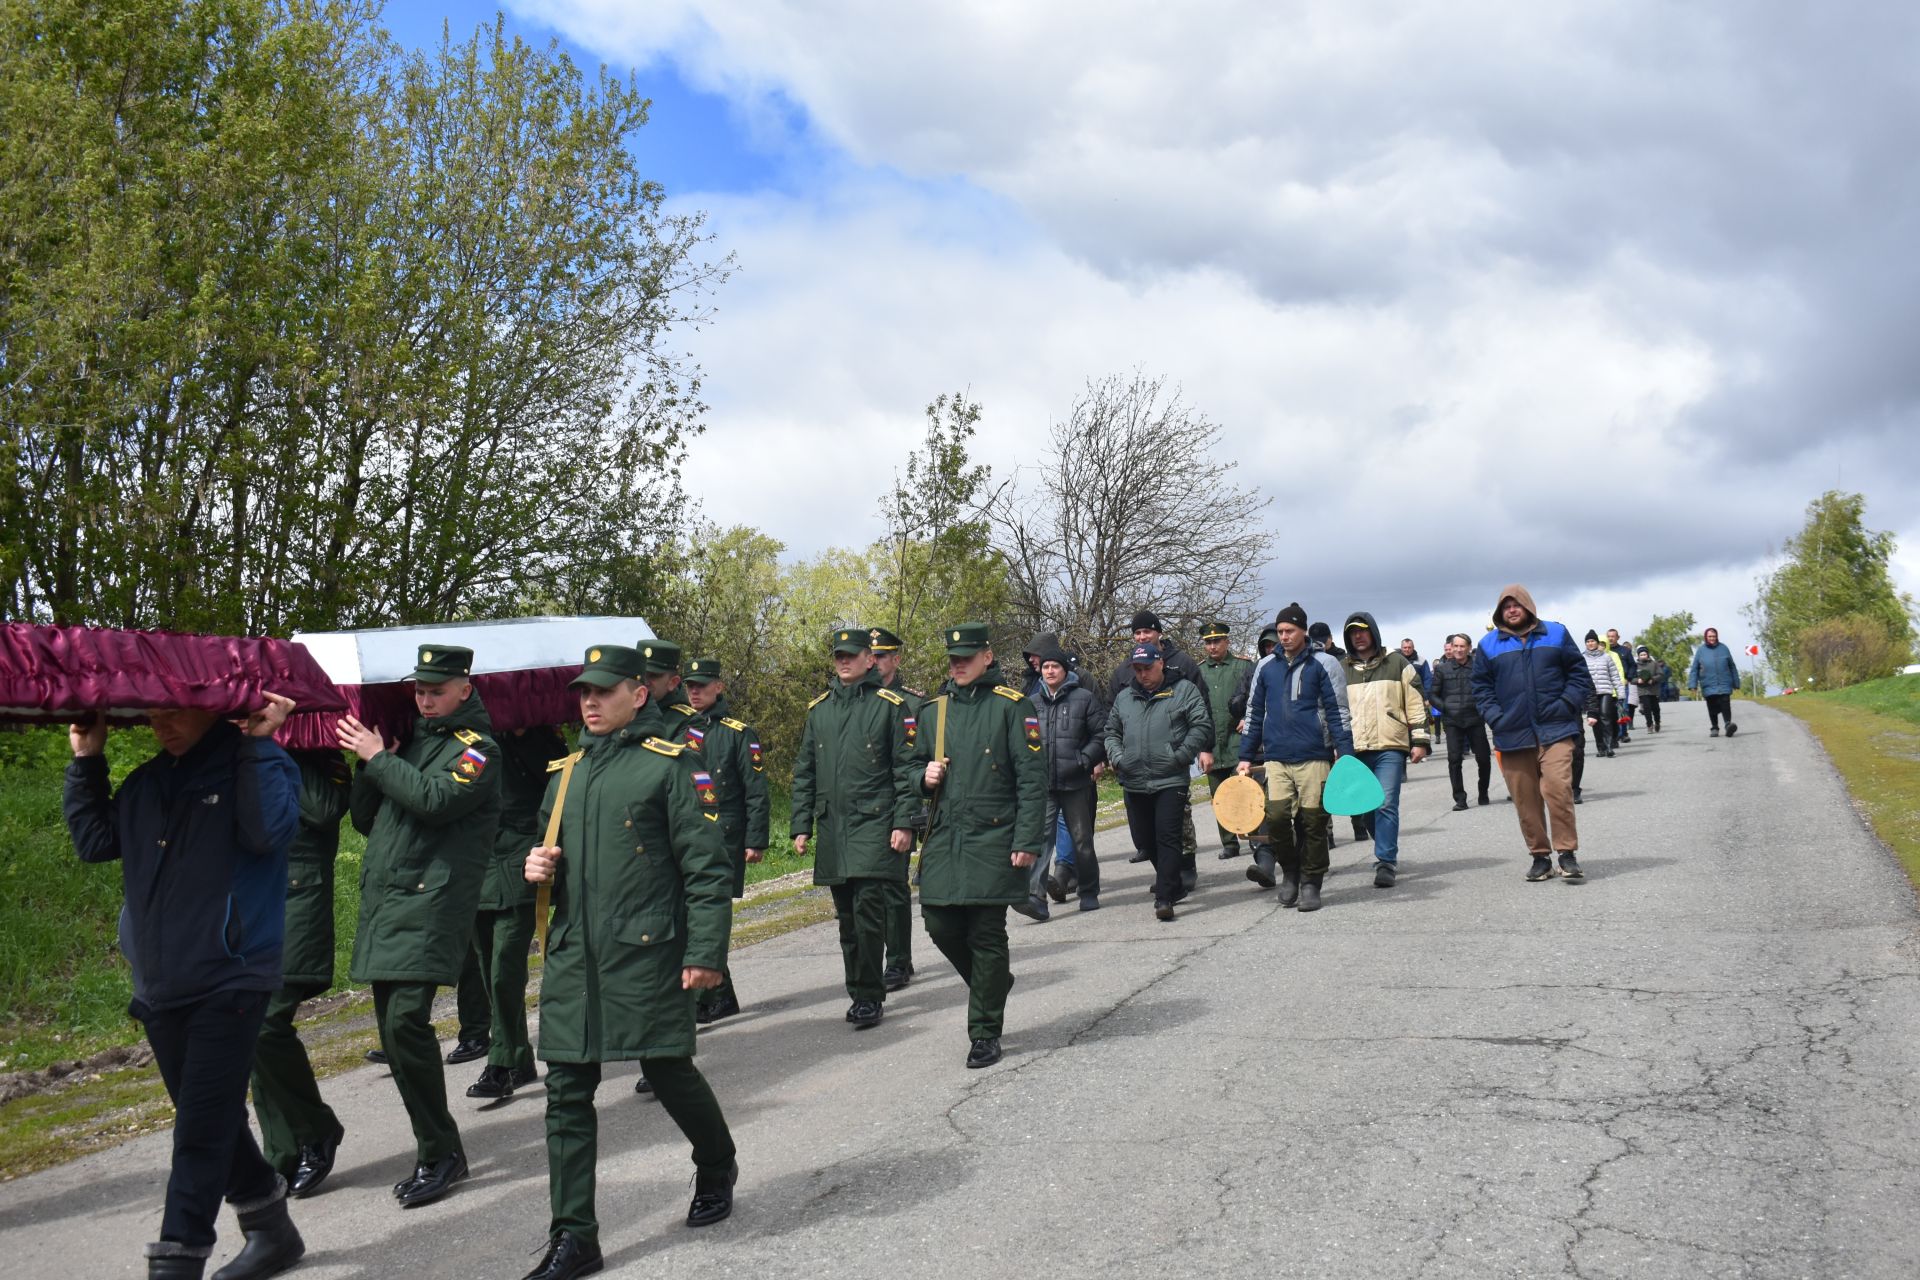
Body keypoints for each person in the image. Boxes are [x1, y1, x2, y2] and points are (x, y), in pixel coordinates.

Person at [66, 691, 304, 1280]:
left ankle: (178, 1258)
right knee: (212, 1115)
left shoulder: (261, 764)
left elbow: (265, 834)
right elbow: (97, 843)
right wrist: (87, 761)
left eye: (173, 712)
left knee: (199, 1127)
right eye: (151, 716)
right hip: (161, 983)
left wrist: (255, 746)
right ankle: (271, 1228)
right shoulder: (148, 782)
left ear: (214, 709)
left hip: (233, 975)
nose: (160, 726)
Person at [520, 644, 738, 1280]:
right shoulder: (565, 774)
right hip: (573, 957)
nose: (590, 702)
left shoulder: (670, 768)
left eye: (604, 691)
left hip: (646, 953)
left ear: (638, 695)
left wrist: (705, 953)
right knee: (565, 1092)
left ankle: (717, 1159)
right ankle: (574, 1236)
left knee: (668, 1070)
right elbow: (549, 870)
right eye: (584, 693)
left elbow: (705, 868)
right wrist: (534, 870)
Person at [338, 644, 502, 1209]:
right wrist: (371, 763)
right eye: (420, 690)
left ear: (465, 688)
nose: (426, 698)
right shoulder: (410, 742)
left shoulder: (478, 751)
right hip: (388, 905)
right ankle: (434, 1147)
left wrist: (382, 760)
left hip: (431, 905)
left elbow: (435, 800)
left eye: (437, 690)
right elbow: (365, 819)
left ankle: (441, 1152)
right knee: (392, 1032)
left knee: (406, 1022)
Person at [917, 623, 1047, 1067]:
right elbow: (906, 771)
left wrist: (1028, 839)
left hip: (995, 836)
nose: (958, 665)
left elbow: (1032, 780)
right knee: (938, 923)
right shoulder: (932, 711)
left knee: (986, 932)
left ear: (987, 657)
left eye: (967, 658)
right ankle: (993, 983)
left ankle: (985, 1031)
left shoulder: (1013, 707)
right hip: (944, 835)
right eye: (953, 659)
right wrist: (923, 776)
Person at [791, 628, 920, 1029]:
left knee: (868, 912)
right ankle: (858, 989)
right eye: (838, 656)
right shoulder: (820, 710)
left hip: (874, 824)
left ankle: (868, 996)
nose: (844, 662)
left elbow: (906, 771)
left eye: (852, 655)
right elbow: (804, 772)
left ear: (870, 659)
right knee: (846, 918)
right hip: (833, 827)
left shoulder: (890, 706)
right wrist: (801, 826)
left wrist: (904, 822)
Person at [249, 750, 350, 1204]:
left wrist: (273, 748)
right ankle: (282, 1153)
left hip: (295, 900)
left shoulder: (318, 756)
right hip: (246, 901)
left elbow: (324, 810)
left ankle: (316, 1129)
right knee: (247, 1025)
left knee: (267, 1022)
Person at [452, 726, 568, 1105]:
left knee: (505, 965)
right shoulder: (466, 742)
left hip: (523, 861)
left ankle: (500, 1063)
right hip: (477, 865)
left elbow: (556, 795)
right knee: (489, 967)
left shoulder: (540, 738)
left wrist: (523, 739)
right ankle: (519, 1057)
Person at [1236, 603, 1353, 911]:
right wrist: (1246, 755)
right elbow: (1254, 712)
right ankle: (1290, 873)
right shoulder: (1265, 667)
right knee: (1275, 818)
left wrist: (1345, 752)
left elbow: (1338, 710)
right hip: (1276, 756)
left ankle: (1312, 883)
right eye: (1281, 631)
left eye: (1289, 631)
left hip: (1314, 755)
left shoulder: (1324, 664)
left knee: (1313, 822)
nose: (1284, 636)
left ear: (1303, 630)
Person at [1471, 586, 1594, 882]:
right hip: (1511, 734)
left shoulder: (1556, 634)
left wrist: (1566, 704)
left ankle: (1566, 854)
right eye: (1506, 607)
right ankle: (1540, 857)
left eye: (1517, 605)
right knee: (1525, 799)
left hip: (1556, 729)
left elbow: (1579, 675)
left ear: (1528, 607)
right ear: (1500, 612)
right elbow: (1481, 688)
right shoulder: (1489, 645)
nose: (1512, 610)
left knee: (1557, 789)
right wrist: (1496, 718)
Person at [677, 657, 771, 1022]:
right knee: (692, 915)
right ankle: (718, 994)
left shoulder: (738, 732)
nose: (695, 691)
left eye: (702, 685)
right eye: (690, 685)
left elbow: (756, 791)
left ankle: (714, 995)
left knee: (708, 913)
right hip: (691, 836)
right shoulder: (684, 731)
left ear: (719, 686)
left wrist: (756, 840)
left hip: (726, 836)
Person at [1104, 640, 1211, 921]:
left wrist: (1181, 755)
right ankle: (1173, 884)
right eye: (1137, 669)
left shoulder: (1183, 690)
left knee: (1167, 837)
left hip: (1170, 778)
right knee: (1144, 840)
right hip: (1134, 778)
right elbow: (1111, 731)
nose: (1142, 674)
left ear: (1160, 663)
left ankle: (1164, 898)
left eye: (1147, 667)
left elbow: (1201, 725)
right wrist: (1117, 757)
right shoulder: (1125, 697)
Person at [1342, 613, 1431, 888]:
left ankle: (1385, 861)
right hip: (1355, 748)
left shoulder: (1397, 663)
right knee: (1363, 808)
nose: (1358, 636)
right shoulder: (1340, 668)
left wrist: (1420, 740)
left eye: (1363, 631)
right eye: (1353, 632)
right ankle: (1384, 843)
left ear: (1374, 632)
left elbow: (1415, 702)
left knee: (1385, 802)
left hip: (1390, 746)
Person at [1032, 643, 1107, 911]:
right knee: (1040, 840)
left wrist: (1084, 760)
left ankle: (1089, 891)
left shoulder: (1084, 698)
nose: (1050, 671)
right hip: (1044, 784)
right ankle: (1036, 896)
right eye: (1045, 667)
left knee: (1082, 839)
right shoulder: (1032, 704)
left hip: (1076, 782)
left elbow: (1101, 734)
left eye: (1055, 666)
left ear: (1065, 670)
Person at [870, 626, 924, 989]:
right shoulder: (859, 700)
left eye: (881, 656)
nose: (875, 663)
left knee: (892, 885)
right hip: (864, 809)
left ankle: (899, 961)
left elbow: (918, 762)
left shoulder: (913, 704)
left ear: (895, 659)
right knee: (867, 891)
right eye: (870, 656)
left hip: (897, 805)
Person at [1195, 622, 1255, 862]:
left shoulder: (1243, 666)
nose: (1212, 646)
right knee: (1219, 795)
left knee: (1244, 790)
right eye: (1208, 642)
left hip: (1237, 740)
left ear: (1227, 641)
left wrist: (1246, 716)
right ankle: (1229, 842)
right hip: (1212, 743)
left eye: (1217, 641)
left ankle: (1253, 834)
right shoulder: (1198, 671)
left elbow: (1256, 696)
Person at [1429, 633, 1492, 809]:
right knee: (1454, 760)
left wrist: (1483, 708)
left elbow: (1488, 688)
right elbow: (1432, 695)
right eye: (1455, 646)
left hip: (1475, 719)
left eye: (1462, 646)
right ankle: (1460, 798)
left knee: (1484, 758)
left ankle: (1483, 791)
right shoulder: (1442, 669)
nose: (1458, 649)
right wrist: (1446, 707)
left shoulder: (1478, 667)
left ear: (1469, 648)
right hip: (1453, 721)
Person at [1687, 627, 1741, 737]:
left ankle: (1727, 725)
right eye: (1710, 636)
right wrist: (1693, 684)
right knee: (1712, 706)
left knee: (1725, 703)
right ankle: (1715, 727)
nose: (1712, 638)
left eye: (1714, 636)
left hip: (1724, 682)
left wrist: (1736, 682)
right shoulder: (1701, 650)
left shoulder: (1724, 648)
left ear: (1717, 636)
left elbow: (1732, 666)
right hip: (1708, 683)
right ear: (1706, 637)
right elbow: (1695, 668)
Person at [1581, 631, 1625, 758]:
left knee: (1606, 717)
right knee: (1596, 720)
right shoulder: (1582, 657)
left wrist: (1621, 693)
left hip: (1606, 691)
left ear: (1597, 642)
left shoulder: (1606, 657)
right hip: (1590, 694)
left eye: (1592, 641)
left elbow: (1615, 676)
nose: (1590, 643)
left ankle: (1609, 746)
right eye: (1588, 641)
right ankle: (1601, 747)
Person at [1606, 629, 1638, 742]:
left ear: (1617, 637)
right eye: (1608, 636)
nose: (1610, 638)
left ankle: (1623, 733)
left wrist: (1628, 678)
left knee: (1623, 708)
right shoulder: (1604, 652)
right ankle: (1614, 734)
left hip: (1621, 683)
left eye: (1613, 636)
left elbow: (1633, 666)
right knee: (1610, 711)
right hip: (1607, 684)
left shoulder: (1625, 651)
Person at [1633, 645, 1668, 732]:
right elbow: (1631, 678)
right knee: (1646, 708)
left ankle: (1657, 722)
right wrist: (1638, 680)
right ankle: (1649, 725)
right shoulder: (1635, 666)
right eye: (1641, 655)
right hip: (1642, 690)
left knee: (1656, 708)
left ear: (1648, 655)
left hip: (1653, 690)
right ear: (1638, 656)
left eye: (1644, 654)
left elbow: (1661, 674)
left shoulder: (1654, 664)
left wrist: (1653, 680)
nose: (1643, 656)